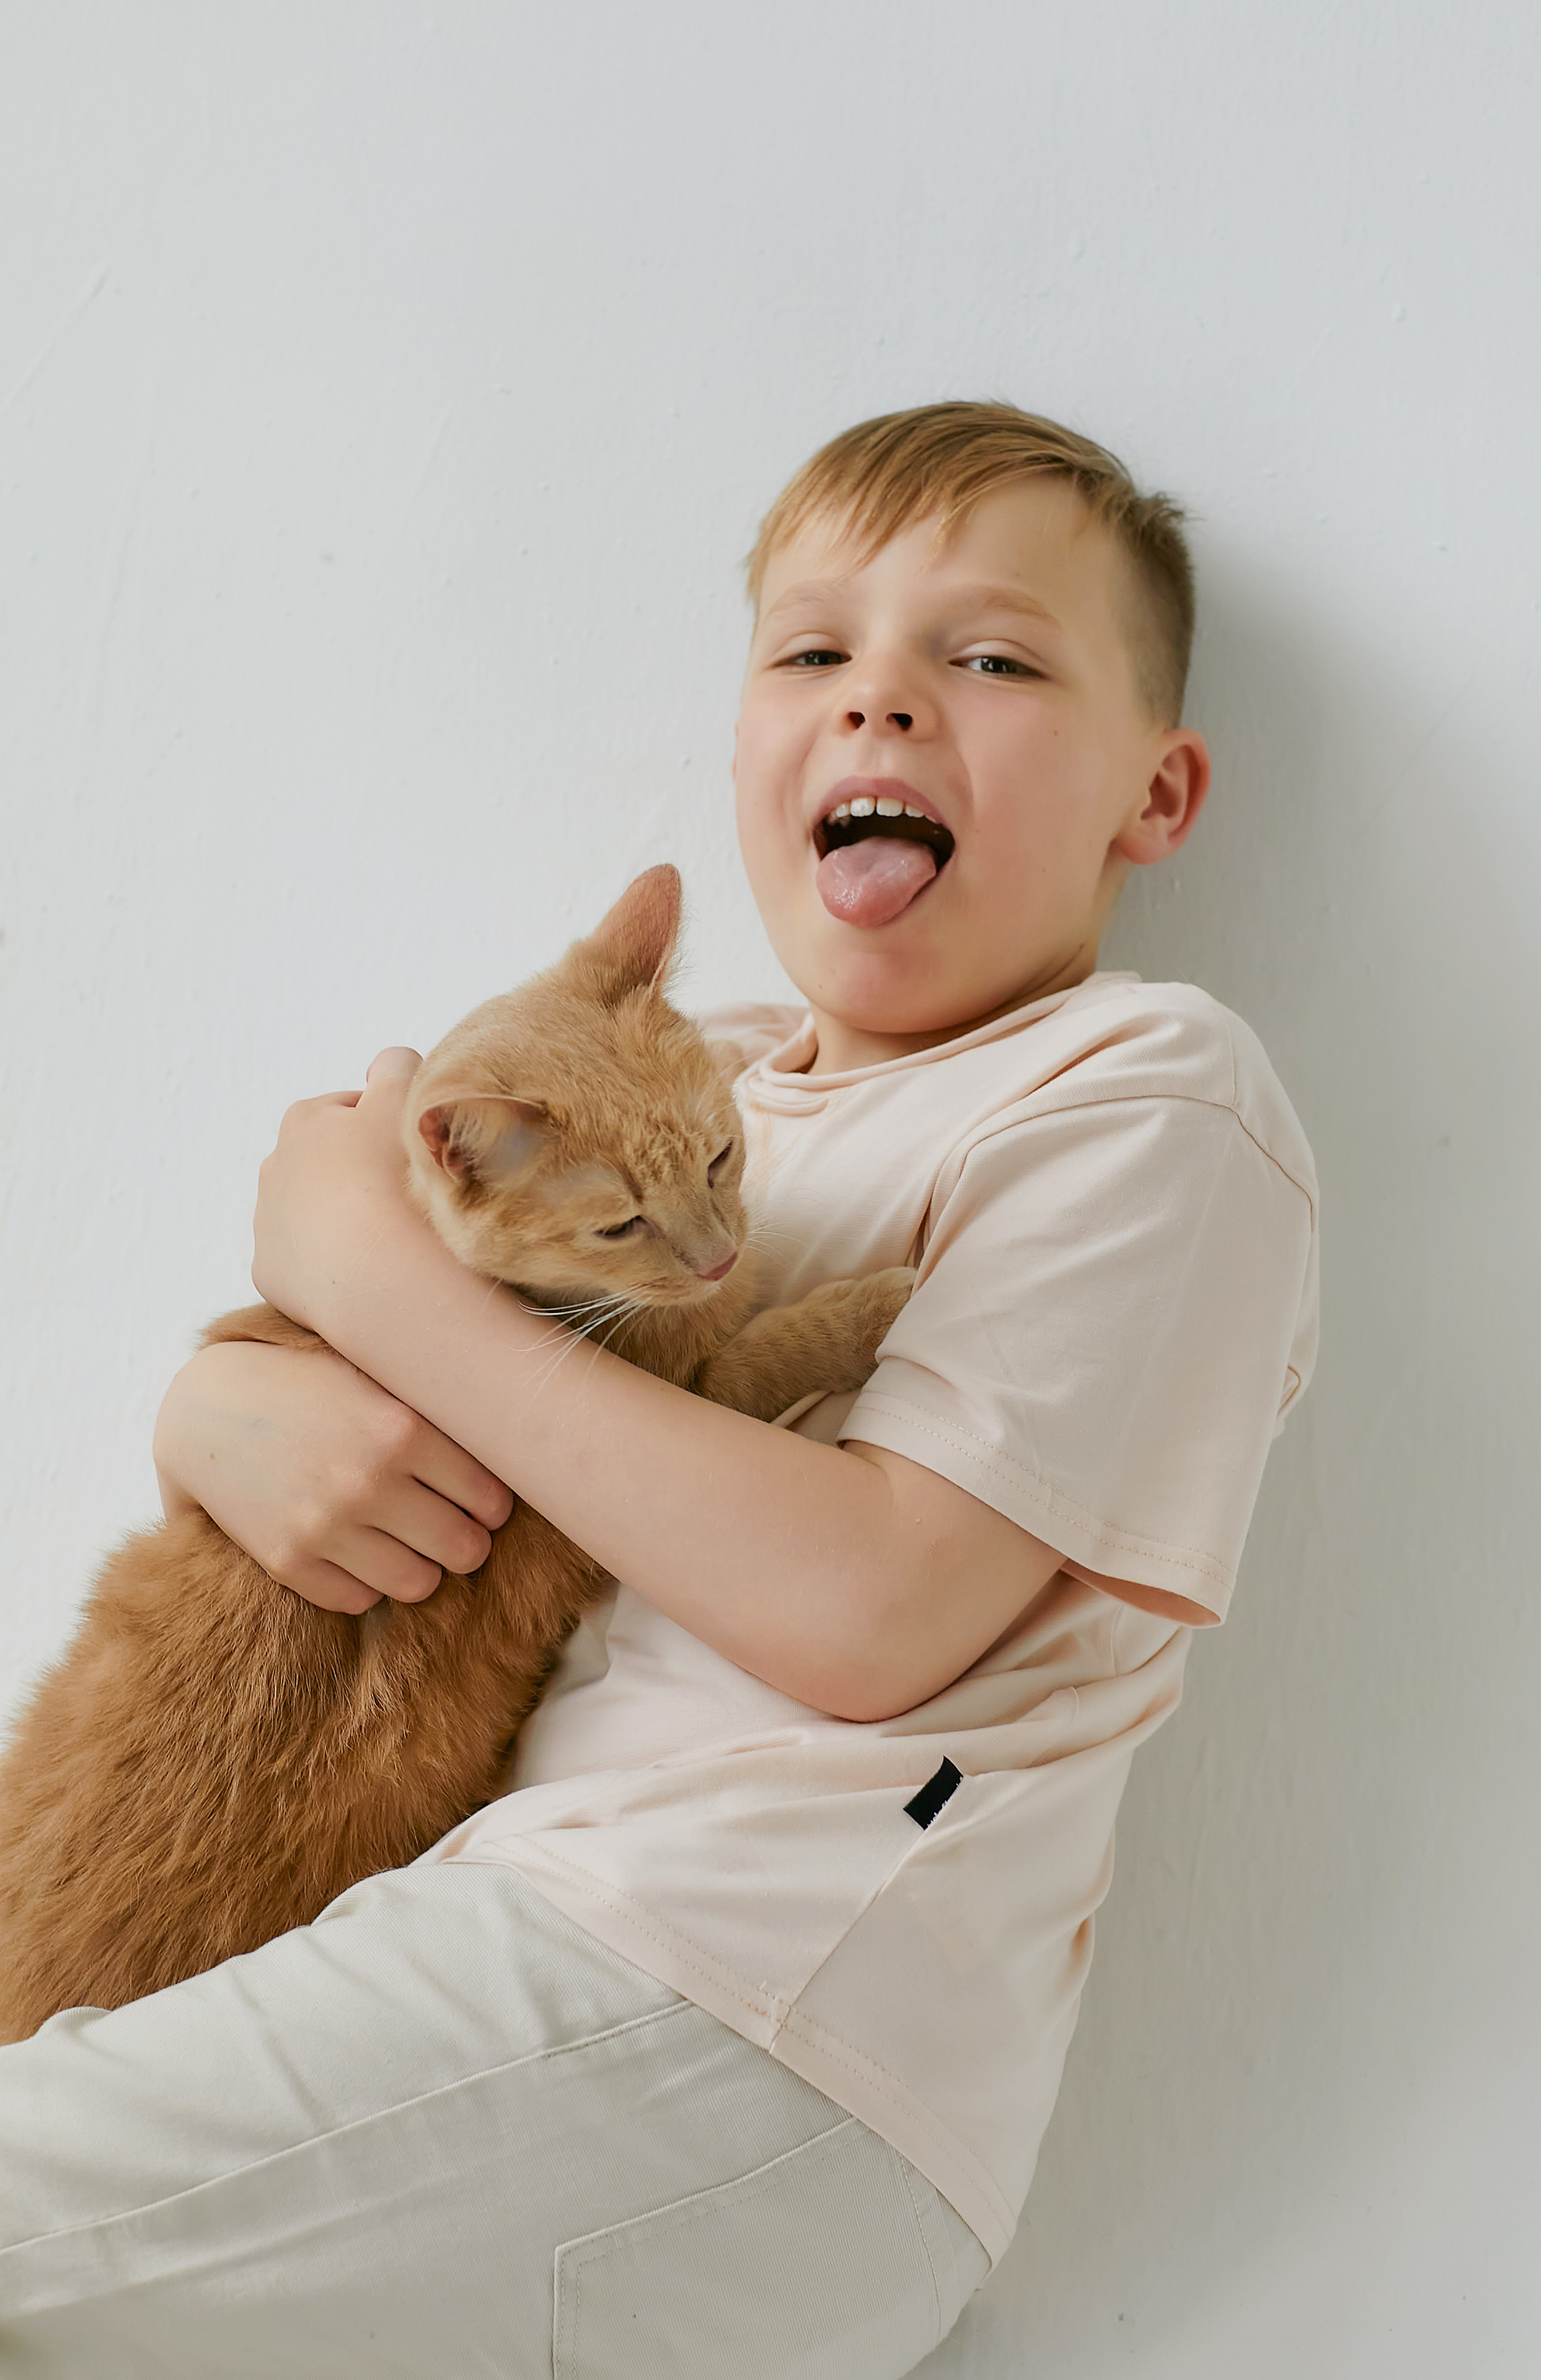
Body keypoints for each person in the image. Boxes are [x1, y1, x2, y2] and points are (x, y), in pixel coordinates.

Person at [0, 402, 1318, 2378]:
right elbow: (363, 1266)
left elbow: (871, 1606)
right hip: (485, 1937)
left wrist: (364, 1270)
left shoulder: (1144, 1087)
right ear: (739, 751)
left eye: (991, 658)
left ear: (1161, 787)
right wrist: (217, 1402)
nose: (881, 705)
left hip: (735, 1989)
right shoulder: (684, 1069)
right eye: (814, 654)